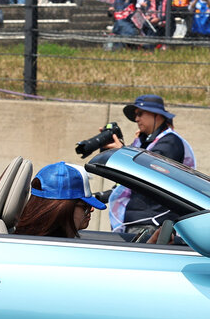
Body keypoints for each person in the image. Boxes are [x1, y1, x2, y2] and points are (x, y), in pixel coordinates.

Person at [105, 94, 196, 239]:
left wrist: (121, 152)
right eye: (135, 115)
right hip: (142, 220)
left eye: (140, 114)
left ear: (156, 115)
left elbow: (147, 171)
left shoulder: (170, 143)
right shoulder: (146, 143)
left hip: (151, 222)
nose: (136, 119)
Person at [14, 162, 106, 239]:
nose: (92, 209)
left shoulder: (34, 243)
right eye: (86, 206)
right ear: (61, 209)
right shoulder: (51, 251)